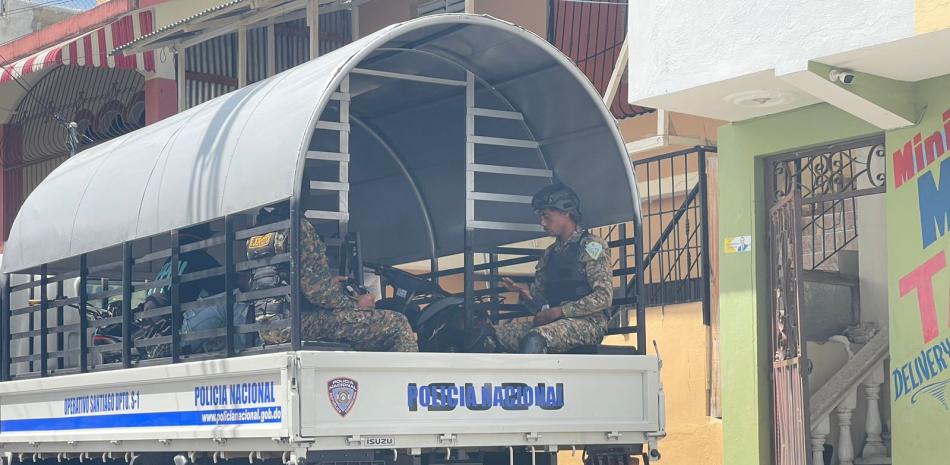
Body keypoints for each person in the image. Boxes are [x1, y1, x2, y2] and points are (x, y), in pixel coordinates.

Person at [246, 205, 417, 352]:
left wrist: (329, 284)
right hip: (295, 326)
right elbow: (317, 292)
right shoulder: (298, 226)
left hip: (268, 328)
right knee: (396, 324)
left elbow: (275, 280)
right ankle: (410, 385)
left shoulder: (259, 234)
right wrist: (356, 304)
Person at [488, 183, 613, 354]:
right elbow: (541, 306)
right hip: (554, 322)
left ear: (566, 212)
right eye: (540, 217)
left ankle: (531, 381)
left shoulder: (592, 246)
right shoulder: (549, 254)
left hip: (588, 323)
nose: (542, 223)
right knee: (492, 336)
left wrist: (561, 311)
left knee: (535, 339)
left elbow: (603, 297)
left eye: (547, 216)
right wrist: (526, 295)